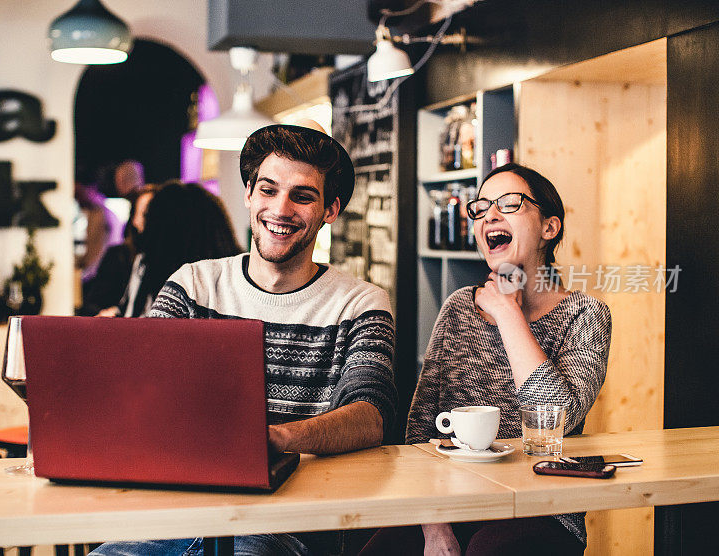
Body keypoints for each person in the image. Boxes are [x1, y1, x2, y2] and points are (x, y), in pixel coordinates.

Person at [90, 122, 398, 556]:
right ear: (249, 192)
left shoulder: (361, 303)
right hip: (175, 517)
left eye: (302, 196)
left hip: (286, 527)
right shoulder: (192, 285)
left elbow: (371, 416)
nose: (281, 208)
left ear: (330, 210)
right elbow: (141, 391)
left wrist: (279, 438)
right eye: (268, 190)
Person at [360, 163, 612, 556]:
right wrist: (434, 525)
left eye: (510, 204)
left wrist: (509, 312)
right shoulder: (459, 307)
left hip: (542, 507)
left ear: (550, 227)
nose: (489, 215)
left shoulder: (586, 315)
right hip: (450, 502)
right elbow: (420, 432)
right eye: (480, 209)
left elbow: (556, 415)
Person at [97, 181, 242, 318]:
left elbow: (136, 315)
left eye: (147, 216)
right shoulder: (232, 272)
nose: (139, 224)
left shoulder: (152, 265)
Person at [79, 184, 159, 316]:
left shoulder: (168, 262)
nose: (151, 220)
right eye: (145, 213)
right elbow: (92, 304)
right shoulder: (120, 256)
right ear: (134, 219)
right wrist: (110, 313)